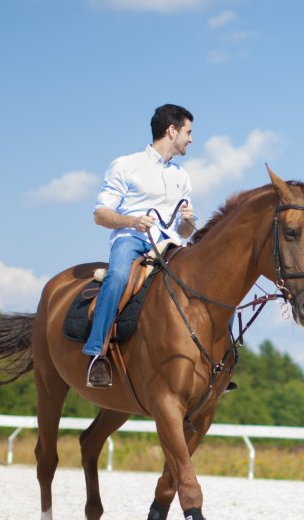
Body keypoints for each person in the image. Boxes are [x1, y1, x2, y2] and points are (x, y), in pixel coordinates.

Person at [83, 103, 197, 388]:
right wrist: (132, 221)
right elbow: (100, 214)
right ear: (172, 131)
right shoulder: (126, 165)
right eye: (188, 132)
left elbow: (184, 230)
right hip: (132, 240)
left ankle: (217, 362)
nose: (191, 139)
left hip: (171, 245)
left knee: (211, 277)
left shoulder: (182, 176)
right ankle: (96, 353)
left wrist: (188, 222)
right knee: (119, 276)